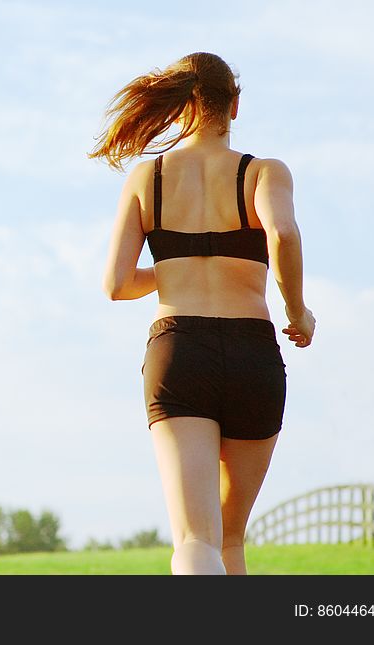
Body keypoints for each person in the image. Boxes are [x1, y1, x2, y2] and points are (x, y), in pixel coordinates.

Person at [89, 52, 316, 575]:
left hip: (179, 352)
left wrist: (175, 270)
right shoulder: (263, 172)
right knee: (230, 539)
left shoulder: (148, 178)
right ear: (233, 107)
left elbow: (117, 285)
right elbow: (282, 234)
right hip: (252, 355)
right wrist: (298, 311)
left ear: (179, 107)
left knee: (196, 540)